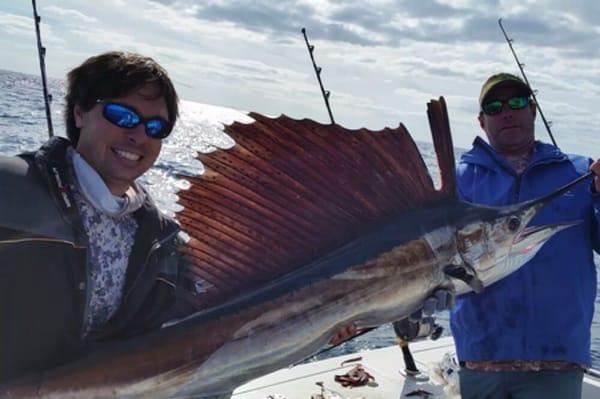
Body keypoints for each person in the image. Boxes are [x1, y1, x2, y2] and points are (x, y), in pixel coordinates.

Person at [0, 51, 184, 383]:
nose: (139, 134)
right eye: (122, 115)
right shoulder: (8, 187)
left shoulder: (164, 242)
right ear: (80, 112)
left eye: (156, 126)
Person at [451, 72, 600, 398]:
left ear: (533, 109)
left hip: (557, 359)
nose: (507, 112)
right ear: (481, 121)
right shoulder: (458, 180)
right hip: (481, 357)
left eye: (517, 102)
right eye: (494, 106)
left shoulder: (581, 173)